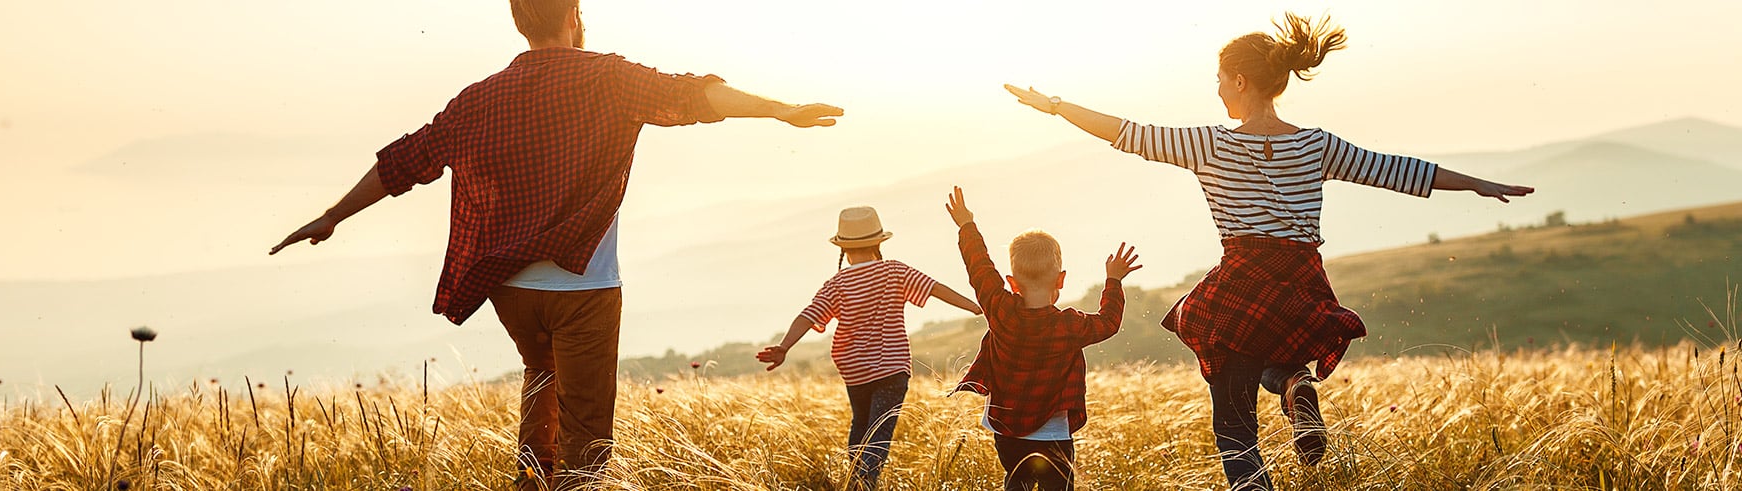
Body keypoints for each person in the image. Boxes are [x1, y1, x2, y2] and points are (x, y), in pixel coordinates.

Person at [267, 1, 843, 488]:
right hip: (584, 289)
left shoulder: (480, 98)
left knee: (540, 375)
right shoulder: (609, 79)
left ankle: (530, 479)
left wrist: (331, 216)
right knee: (588, 439)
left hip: (510, 291)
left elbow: (406, 161)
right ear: (574, 15)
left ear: (520, 22)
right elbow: (695, 96)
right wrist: (781, 110)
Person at [1002, 11, 1534, 490]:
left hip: (1242, 275)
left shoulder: (1210, 143)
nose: (1216, 91)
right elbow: (1399, 170)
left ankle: (1263, 458)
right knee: (1275, 355)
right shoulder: (1317, 144)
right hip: (1302, 277)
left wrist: (1054, 106)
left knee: (1235, 428)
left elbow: (1125, 133)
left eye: (1219, 80)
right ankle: (1296, 382)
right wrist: (1479, 184)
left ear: (1239, 79)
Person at [755, 206, 982, 491]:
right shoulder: (894, 271)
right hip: (891, 368)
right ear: (878, 242)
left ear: (842, 248)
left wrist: (784, 346)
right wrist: (974, 305)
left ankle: (854, 481)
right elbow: (935, 288)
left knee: (860, 427)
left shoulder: (836, 284)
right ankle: (864, 484)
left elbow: (808, 315)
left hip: (854, 372)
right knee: (879, 434)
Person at [942, 186, 1133, 491]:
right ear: (1061, 279)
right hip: (1053, 435)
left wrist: (967, 225)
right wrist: (1113, 281)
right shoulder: (1069, 326)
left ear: (1011, 282)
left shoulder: (1000, 309)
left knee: (1016, 481)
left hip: (1006, 432)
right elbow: (1109, 322)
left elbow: (979, 267)